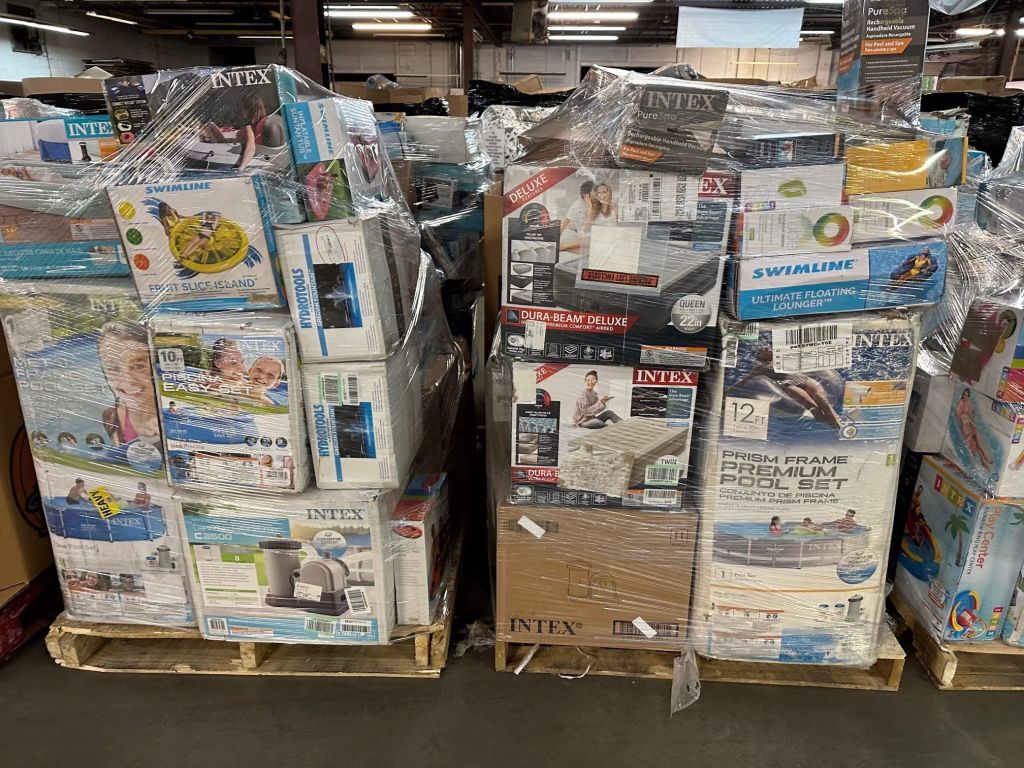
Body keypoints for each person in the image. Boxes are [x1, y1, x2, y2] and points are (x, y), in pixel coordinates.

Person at [726, 347, 844, 431]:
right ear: (760, 356)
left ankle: (839, 425)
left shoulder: (782, 356)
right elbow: (743, 381)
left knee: (823, 401)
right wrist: (727, 391)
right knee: (814, 407)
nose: (767, 349)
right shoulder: (759, 368)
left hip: (804, 379)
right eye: (763, 350)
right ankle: (833, 427)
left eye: (768, 348)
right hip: (789, 384)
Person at [98, 320, 161, 449]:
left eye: (138, 366)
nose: (128, 381)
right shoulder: (111, 417)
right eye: (113, 368)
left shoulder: (176, 414)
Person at [197, 93, 286, 171]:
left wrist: (241, 168)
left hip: (231, 147)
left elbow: (251, 148)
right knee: (209, 127)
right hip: (230, 143)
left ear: (248, 109)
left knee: (208, 127)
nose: (239, 110)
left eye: (241, 107)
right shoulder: (255, 125)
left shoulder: (249, 127)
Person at [955, 389, 994, 470]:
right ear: (963, 395)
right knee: (976, 447)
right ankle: (984, 462)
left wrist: (973, 418)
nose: (965, 397)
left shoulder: (968, 402)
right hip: (966, 429)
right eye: (964, 395)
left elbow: (970, 414)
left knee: (979, 445)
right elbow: (959, 416)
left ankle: (985, 459)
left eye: (967, 395)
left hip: (970, 426)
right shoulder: (960, 404)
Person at [559, 181, 595, 254]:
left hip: (594, 233)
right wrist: (555, 239)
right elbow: (565, 223)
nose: (596, 196)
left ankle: (565, 247)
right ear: (586, 195)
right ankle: (562, 246)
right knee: (589, 242)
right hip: (584, 235)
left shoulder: (596, 203)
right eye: (593, 194)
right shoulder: (576, 206)